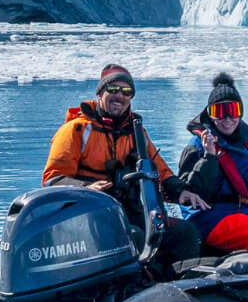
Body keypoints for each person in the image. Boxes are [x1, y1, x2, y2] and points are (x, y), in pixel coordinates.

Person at [41, 64, 177, 217]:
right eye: (113, 89)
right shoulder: (76, 130)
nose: (120, 95)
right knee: (135, 235)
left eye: (126, 92)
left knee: (184, 232)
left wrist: (182, 191)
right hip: (87, 215)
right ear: (100, 94)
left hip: (129, 212)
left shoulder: (137, 133)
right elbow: (52, 180)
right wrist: (86, 188)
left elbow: (161, 172)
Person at [171, 71, 248, 254]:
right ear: (210, 115)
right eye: (220, 112)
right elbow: (188, 192)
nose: (227, 119)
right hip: (213, 218)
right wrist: (209, 158)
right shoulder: (197, 145)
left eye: (233, 111)